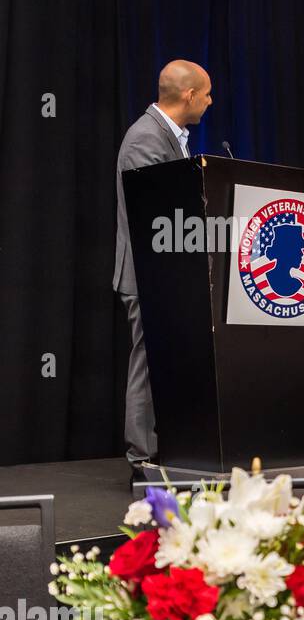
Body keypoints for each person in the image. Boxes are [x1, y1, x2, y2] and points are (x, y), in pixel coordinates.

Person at [114, 60, 212, 480]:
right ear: (189, 96)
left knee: (167, 366)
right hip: (148, 275)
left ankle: (167, 451)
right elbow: (162, 211)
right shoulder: (144, 137)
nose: (211, 101)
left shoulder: (174, 136)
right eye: (207, 94)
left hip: (172, 275)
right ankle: (141, 459)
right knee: (148, 365)